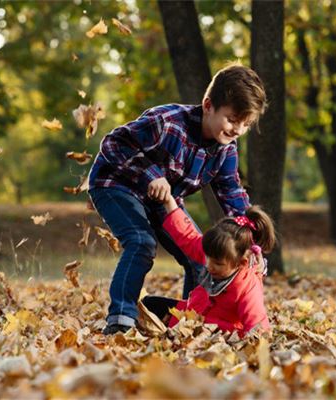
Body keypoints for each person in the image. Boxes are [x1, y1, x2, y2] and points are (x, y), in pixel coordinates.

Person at [87, 63, 267, 334]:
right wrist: (150, 174)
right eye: (232, 119)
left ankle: (188, 325)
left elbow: (231, 192)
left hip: (163, 200)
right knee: (141, 242)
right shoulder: (168, 122)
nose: (238, 130)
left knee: (203, 257)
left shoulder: (226, 147)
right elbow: (113, 143)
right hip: (117, 184)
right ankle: (120, 321)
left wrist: (251, 244)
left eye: (246, 124)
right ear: (208, 105)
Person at [141, 193, 276, 336]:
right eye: (207, 258)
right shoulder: (215, 252)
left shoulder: (247, 285)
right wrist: (169, 202)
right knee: (148, 304)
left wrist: (254, 343)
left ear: (240, 263)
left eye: (218, 263)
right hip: (188, 315)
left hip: (215, 333)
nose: (209, 265)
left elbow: (257, 323)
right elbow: (188, 236)